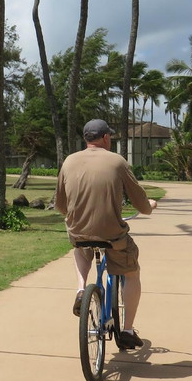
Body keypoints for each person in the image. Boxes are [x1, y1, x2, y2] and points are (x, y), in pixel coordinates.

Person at [55, 118, 157, 350]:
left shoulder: (69, 161)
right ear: (106, 138)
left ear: (85, 139)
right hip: (113, 236)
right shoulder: (117, 162)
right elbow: (141, 203)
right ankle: (128, 330)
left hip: (79, 232)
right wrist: (150, 205)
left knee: (80, 248)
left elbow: (61, 204)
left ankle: (82, 289)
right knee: (131, 272)